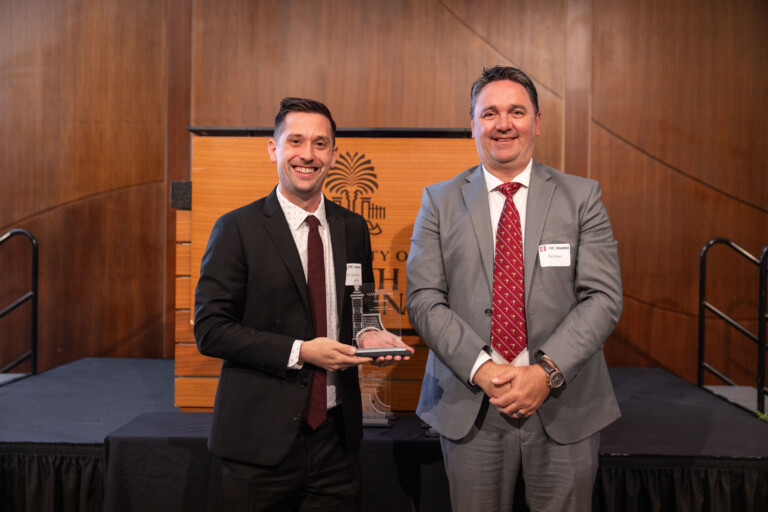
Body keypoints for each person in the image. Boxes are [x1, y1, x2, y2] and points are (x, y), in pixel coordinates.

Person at [405, 66, 622, 511]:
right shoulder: (439, 201)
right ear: (473, 125)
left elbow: (603, 298)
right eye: (490, 114)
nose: (503, 124)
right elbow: (424, 299)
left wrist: (545, 373)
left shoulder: (582, 198)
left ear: (537, 122)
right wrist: (484, 370)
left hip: (564, 403)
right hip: (473, 405)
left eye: (516, 111)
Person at [194, 97, 412, 511]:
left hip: (337, 443)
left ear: (333, 154)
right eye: (295, 141)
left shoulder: (353, 227)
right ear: (274, 149)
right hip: (257, 444)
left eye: (320, 143)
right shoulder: (236, 229)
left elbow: (362, 307)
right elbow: (210, 329)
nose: (308, 155)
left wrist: (371, 335)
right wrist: (301, 352)